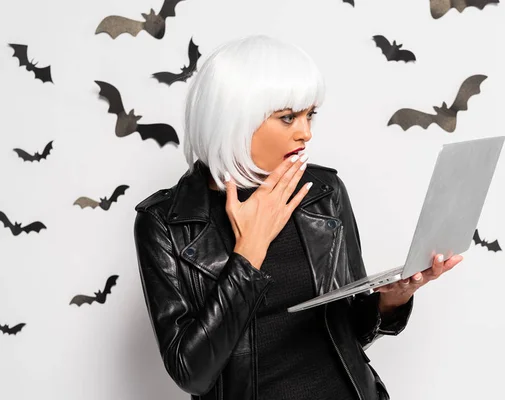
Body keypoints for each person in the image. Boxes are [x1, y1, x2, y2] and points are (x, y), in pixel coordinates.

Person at [133, 34, 463, 400]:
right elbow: (192, 374)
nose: (305, 133)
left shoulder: (324, 192)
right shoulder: (165, 222)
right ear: (232, 120)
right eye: (287, 117)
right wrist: (249, 253)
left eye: (310, 115)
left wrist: (392, 299)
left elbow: (349, 332)